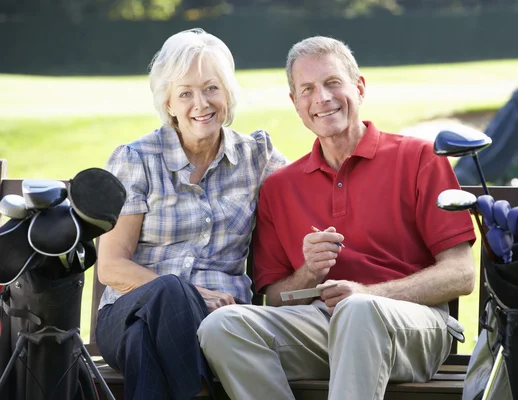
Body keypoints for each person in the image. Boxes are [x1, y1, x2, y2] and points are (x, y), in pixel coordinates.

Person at [197, 36, 477, 400]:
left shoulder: (420, 157)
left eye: (332, 83)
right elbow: (277, 298)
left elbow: (461, 273)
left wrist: (368, 294)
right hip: (321, 327)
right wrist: (309, 273)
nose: (322, 98)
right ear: (295, 103)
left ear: (359, 88)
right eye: (307, 89)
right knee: (223, 326)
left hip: (413, 325)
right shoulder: (280, 187)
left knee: (358, 311)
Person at [94, 28, 287, 400]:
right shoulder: (137, 160)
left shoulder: (255, 157)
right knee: (168, 290)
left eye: (211, 88)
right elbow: (112, 268)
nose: (201, 103)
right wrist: (193, 296)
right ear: (168, 103)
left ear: (228, 93)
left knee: (143, 343)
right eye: (185, 93)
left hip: (222, 325)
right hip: (127, 312)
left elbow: (311, 185)